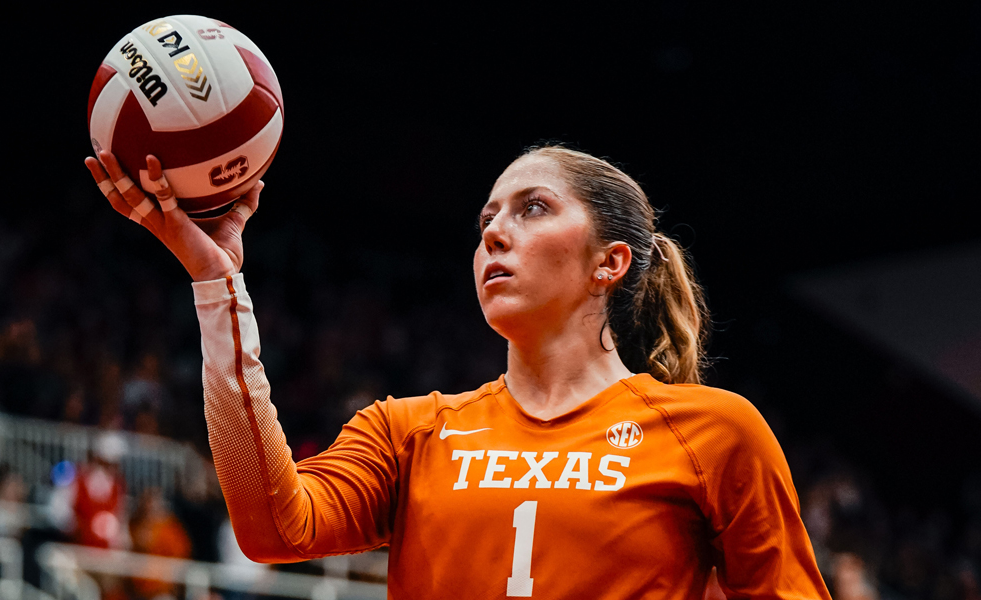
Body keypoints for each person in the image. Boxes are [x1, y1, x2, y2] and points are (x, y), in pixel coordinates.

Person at [85, 145, 831, 599]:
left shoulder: (715, 432)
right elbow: (273, 529)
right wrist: (217, 284)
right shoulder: (408, 431)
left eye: (532, 209)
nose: (496, 232)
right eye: (485, 223)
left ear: (610, 263)